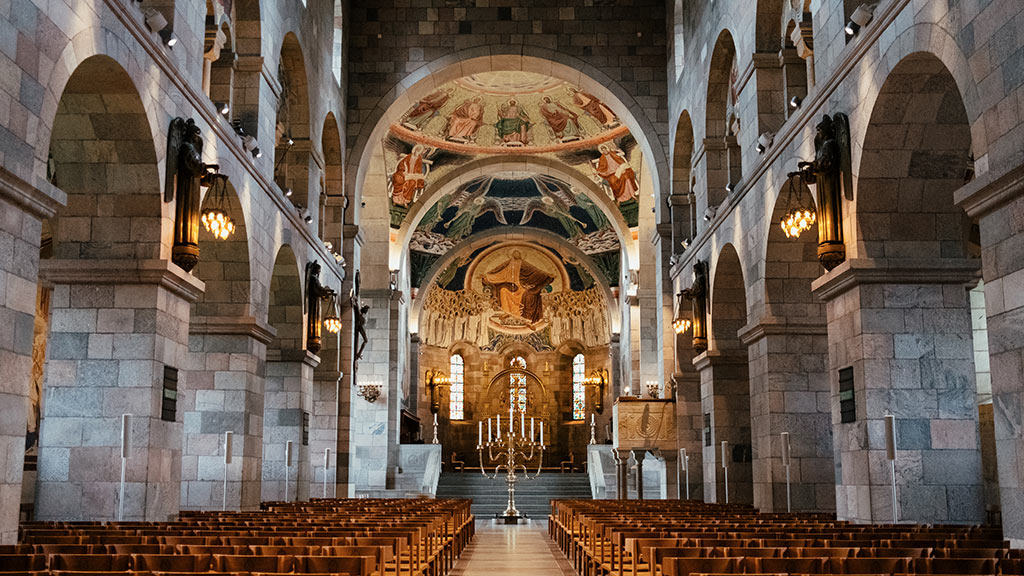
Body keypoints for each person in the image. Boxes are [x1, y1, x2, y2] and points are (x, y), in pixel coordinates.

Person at [481, 250, 554, 323]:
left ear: (520, 255)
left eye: (518, 254)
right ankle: (507, 312)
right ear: (512, 255)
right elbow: (499, 273)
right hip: (510, 284)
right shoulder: (508, 263)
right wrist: (487, 276)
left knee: (526, 293)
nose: (516, 255)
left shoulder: (524, 264)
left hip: (521, 285)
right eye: (515, 254)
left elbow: (536, 271)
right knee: (503, 290)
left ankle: (517, 313)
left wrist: (547, 275)